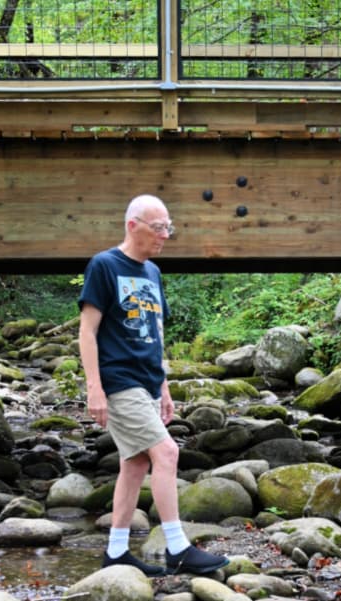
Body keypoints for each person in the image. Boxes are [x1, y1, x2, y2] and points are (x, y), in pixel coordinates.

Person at [78, 194, 229, 576]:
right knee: (166, 453)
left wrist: (163, 386)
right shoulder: (104, 266)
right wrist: (94, 388)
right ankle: (177, 546)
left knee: (135, 462)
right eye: (158, 228)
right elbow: (88, 331)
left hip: (146, 382)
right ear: (133, 225)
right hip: (119, 379)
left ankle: (116, 551)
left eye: (168, 228)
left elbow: (156, 334)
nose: (165, 235)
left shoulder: (153, 273)